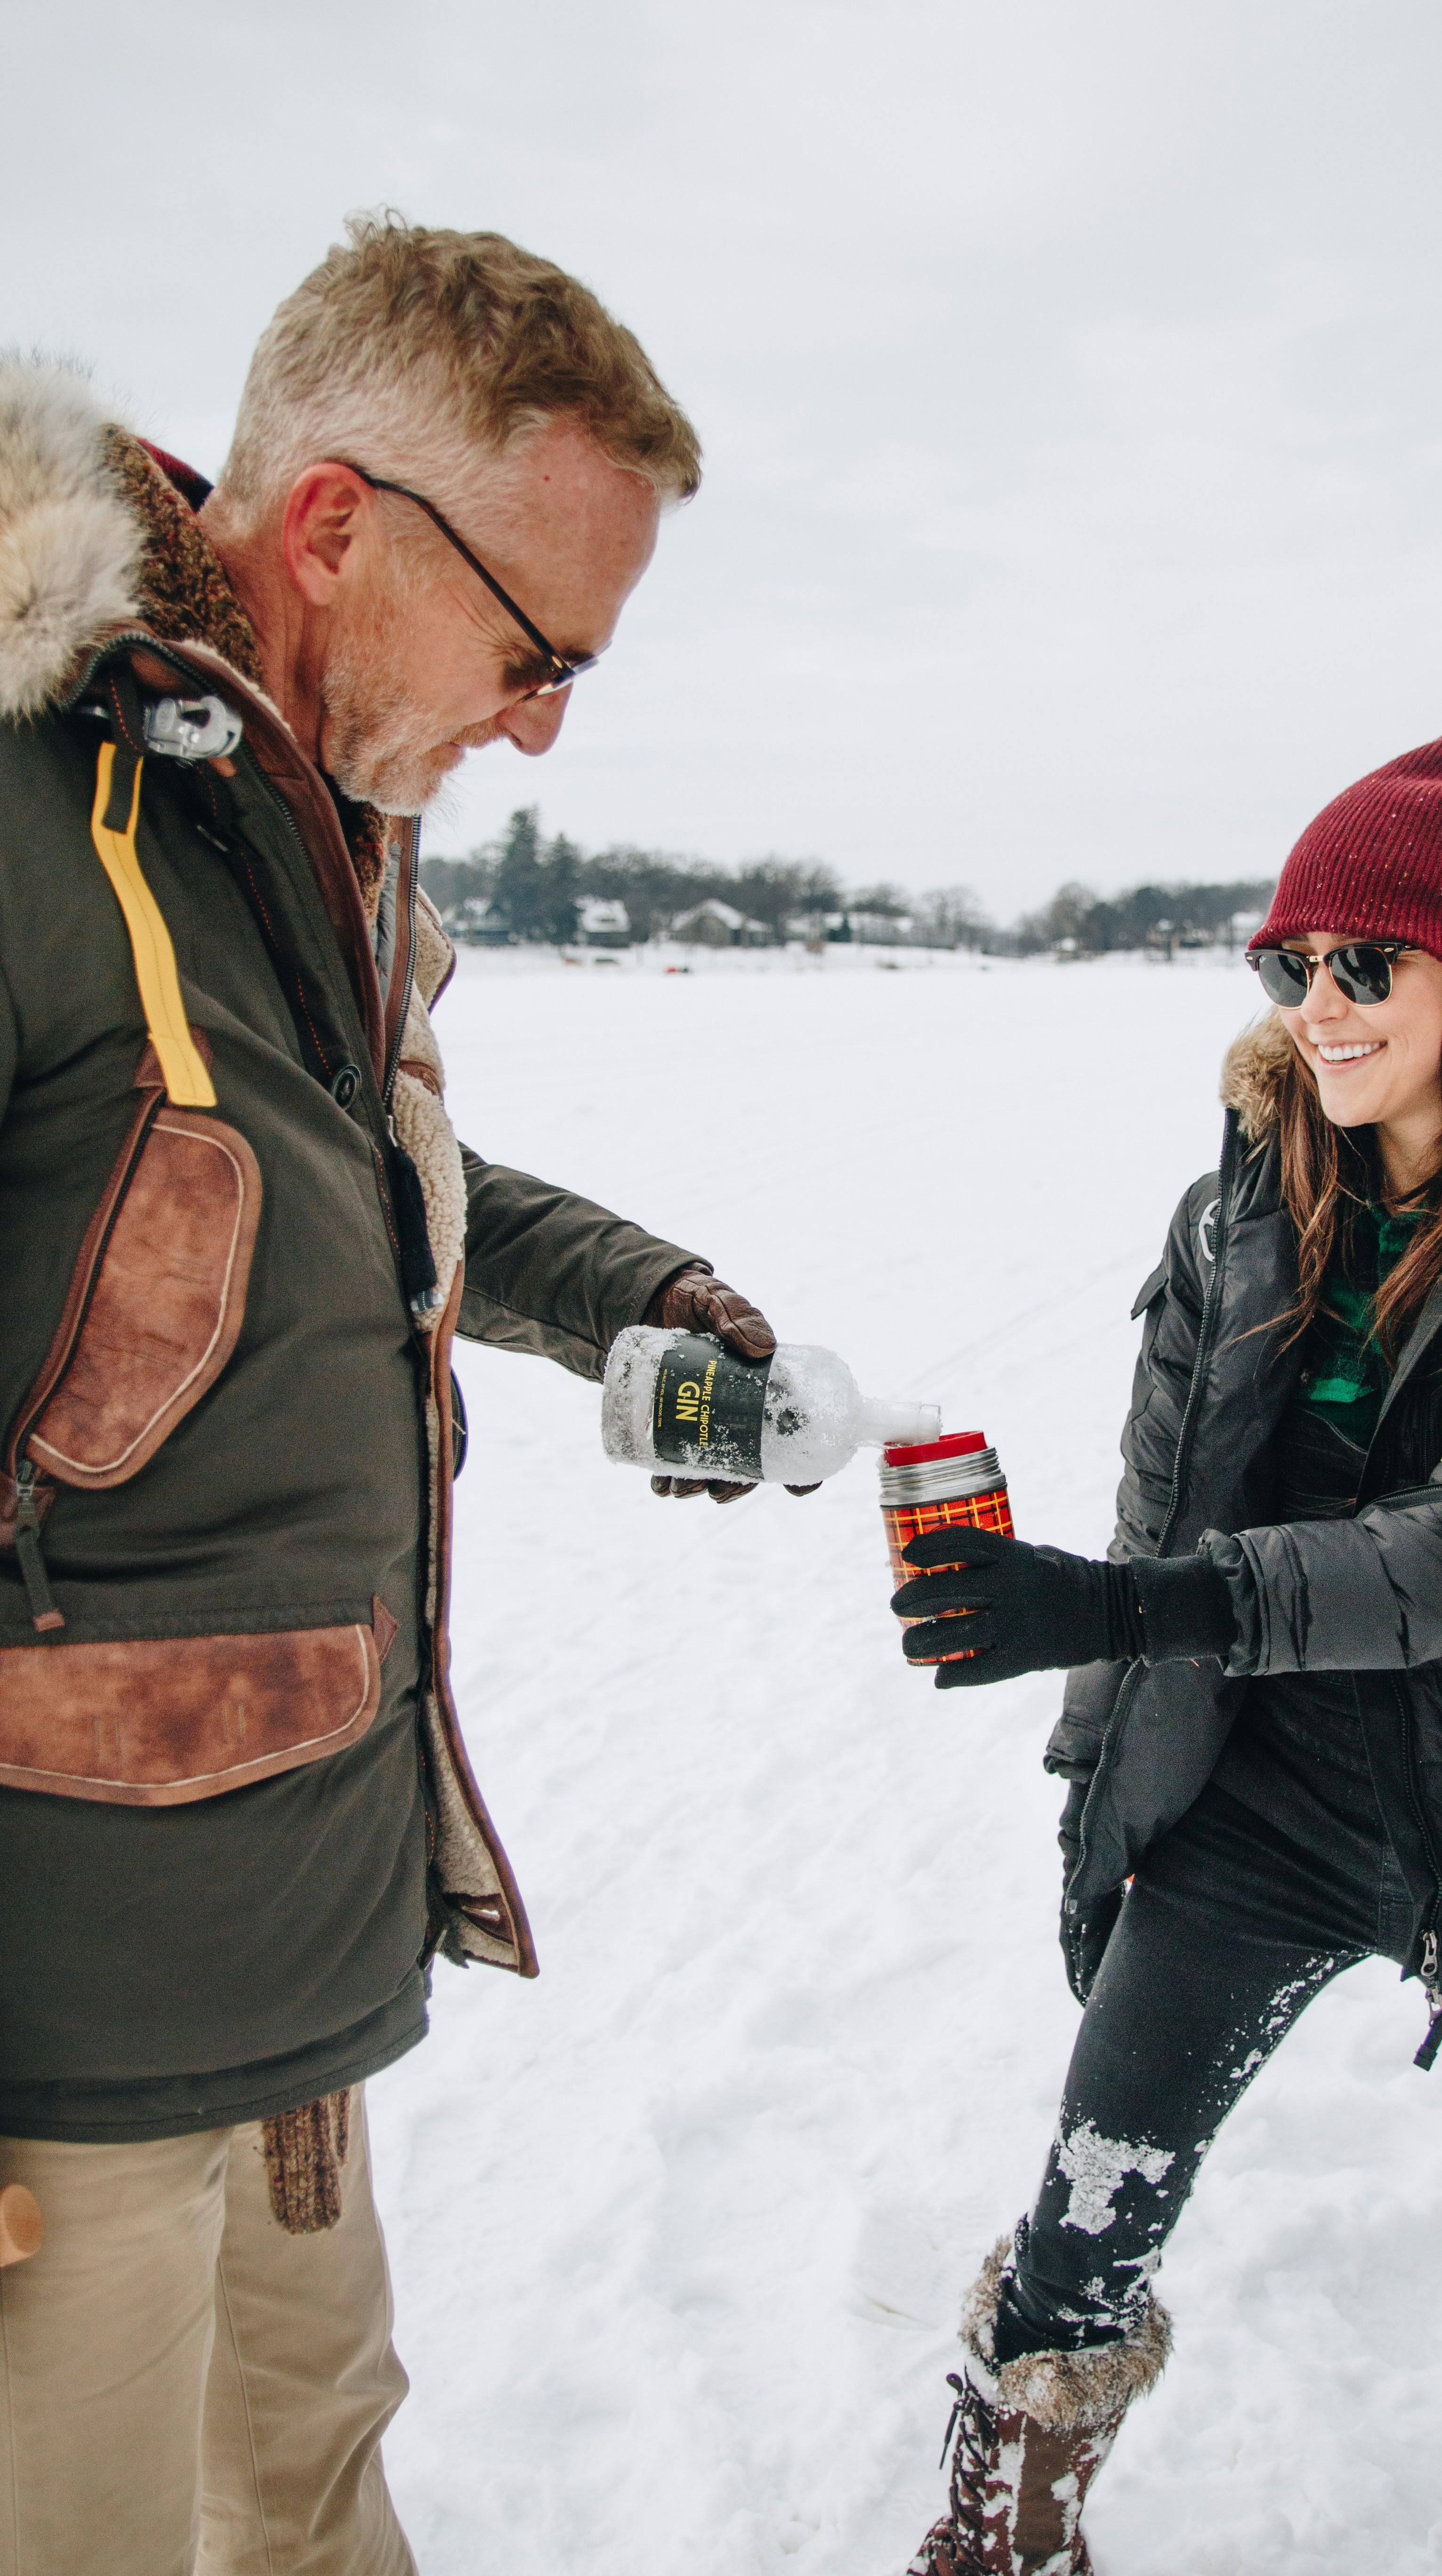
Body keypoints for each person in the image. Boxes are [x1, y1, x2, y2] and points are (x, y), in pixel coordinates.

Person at [0, 217, 798, 2571]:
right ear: (335, 523)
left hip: (289, 1988)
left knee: (315, 2498)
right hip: (60, 2086)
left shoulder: (299, 831)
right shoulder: (35, 822)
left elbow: (346, 1165)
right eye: (536, 647)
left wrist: (632, 1289)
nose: (550, 719)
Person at [892, 725, 1442, 2576]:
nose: (1320, 1006)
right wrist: (1103, 1784)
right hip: (1264, 1799)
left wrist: (1127, 1607)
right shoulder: (1245, 1210)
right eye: (1292, 965)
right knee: (1081, 2226)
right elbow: (1162, 1496)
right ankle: (1007, 2542)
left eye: (1367, 964)